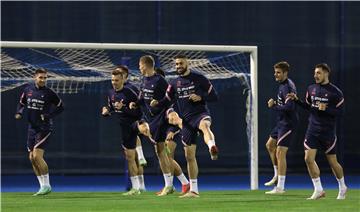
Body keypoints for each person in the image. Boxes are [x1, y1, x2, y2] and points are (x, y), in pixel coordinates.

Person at [151, 54, 219, 198]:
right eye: (176, 64)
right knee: (189, 157)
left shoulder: (199, 78)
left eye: (181, 63)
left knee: (205, 127)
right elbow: (167, 100)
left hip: (200, 114)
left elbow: (214, 96)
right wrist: (157, 102)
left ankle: (212, 146)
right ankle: (194, 190)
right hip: (186, 121)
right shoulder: (174, 83)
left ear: (187, 64)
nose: (178, 66)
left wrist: (201, 97)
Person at [287, 63, 347, 200]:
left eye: (319, 73)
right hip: (312, 130)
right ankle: (318, 189)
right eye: (315, 73)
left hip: (327, 132)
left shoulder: (335, 93)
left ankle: (343, 186)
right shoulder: (311, 89)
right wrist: (297, 101)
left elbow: (341, 113)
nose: (315, 75)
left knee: (333, 162)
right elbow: (309, 107)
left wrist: (326, 109)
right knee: (308, 159)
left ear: (326, 74)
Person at [101, 68, 151, 196]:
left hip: (135, 123)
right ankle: (136, 188)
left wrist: (124, 108)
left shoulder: (129, 92)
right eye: (112, 80)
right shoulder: (110, 92)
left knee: (143, 130)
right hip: (125, 127)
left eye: (117, 80)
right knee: (130, 158)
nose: (114, 82)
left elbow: (139, 111)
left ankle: (155, 140)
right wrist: (106, 112)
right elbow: (111, 108)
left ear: (123, 79)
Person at [130, 55, 175, 196]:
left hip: (160, 118)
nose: (139, 67)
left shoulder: (160, 80)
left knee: (160, 151)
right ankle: (171, 184)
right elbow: (142, 96)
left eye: (140, 65)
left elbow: (170, 98)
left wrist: (159, 102)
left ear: (146, 65)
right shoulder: (144, 80)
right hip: (151, 119)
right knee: (160, 151)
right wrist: (136, 103)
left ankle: (169, 185)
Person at [15, 68, 64, 196]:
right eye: (41, 77)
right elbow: (21, 103)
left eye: (45, 78)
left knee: (37, 156)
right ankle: (42, 186)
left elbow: (61, 107)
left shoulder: (49, 93)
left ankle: (47, 185)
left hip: (44, 128)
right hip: (32, 127)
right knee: (31, 158)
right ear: (35, 77)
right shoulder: (28, 90)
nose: (43, 80)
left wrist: (49, 115)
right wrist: (19, 112)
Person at [264, 61, 298, 194]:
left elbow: (290, 107)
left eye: (278, 72)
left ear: (285, 73)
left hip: (288, 123)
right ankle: (276, 174)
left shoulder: (288, 87)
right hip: (281, 122)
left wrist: (274, 106)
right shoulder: (282, 85)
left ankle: (280, 187)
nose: (275, 74)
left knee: (280, 152)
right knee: (269, 145)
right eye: (275, 72)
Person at [115, 65, 147, 191]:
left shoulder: (131, 88)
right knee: (132, 159)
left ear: (126, 76)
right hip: (125, 123)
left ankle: (141, 155)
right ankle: (140, 186)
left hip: (135, 121)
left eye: (121, 74)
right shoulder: (115, 90)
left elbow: (141, 104)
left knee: (135, 157)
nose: (118, 76)